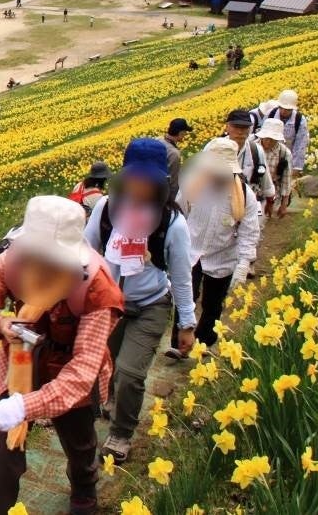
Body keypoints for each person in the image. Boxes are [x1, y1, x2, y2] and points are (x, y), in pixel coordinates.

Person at [0, 196, 124, 515]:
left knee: (80, 445)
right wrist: (0, 324)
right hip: (22, 365)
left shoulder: (97, 289)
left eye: (51, 259)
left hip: (69, 374)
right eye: (34, 256)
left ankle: (83, 491)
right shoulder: (9, 264)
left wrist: (24, 406)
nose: (39, 266)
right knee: (0, 454)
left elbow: (81, 374)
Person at [84, 138, 196, 465]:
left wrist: (186, 324)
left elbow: (181, 275)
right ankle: (110, 402)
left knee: (130, 372)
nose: (141, 186)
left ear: (162, 182)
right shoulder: (107, 209)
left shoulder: (171, 223)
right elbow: (86, 252)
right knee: (104, 366)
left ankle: (121, 433)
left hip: (150, 305)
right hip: (109, 303)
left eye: (149, 181)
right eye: (136, 178)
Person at [168, 139, 259, 359]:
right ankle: (179, 344)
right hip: (191, 251)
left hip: (223, 255)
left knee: (213, 303)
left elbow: (249, 231)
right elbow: (178, 216)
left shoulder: (244, 195)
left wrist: (244, 263)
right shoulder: (193, 184)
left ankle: (204, 342)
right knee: (186, 297)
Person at [211, 109, 275, 205]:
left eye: (244, 127)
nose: (240, 132)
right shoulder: (214, 147)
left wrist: (270, 199)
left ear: (249, 129)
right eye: (236, 127)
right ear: (227, 127)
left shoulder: (256, 150)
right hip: (218, 201)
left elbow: (265, 178)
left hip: (247, 202)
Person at [254, 118, 294, 219]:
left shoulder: (284, 153)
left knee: (263, 220)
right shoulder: (252, 147)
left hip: (272, 191)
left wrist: (284, 205)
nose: (268, 141)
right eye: (266, 137)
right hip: (252, 190)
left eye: (272, 139)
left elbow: (286, 180)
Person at [265, 89, 308, 176]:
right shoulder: (270, 115)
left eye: (287, 109)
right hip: (269, 155)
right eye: (281, 108)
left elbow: (300, 144)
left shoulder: (299, 120)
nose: (284, 111)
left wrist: (296, 167)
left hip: (288, 156)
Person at [160, 117, 194, 199]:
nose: (185, 135)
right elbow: (173, 182)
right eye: (185, 132)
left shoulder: (158, 139)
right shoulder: (174, 154)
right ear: (181, 133)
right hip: (162, 193)